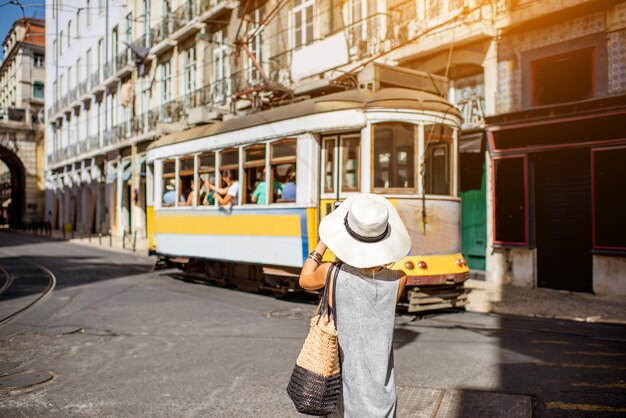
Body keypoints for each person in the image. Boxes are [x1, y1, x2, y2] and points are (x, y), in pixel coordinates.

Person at [298, 193, 411, 417]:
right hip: (383, 394)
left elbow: (304, 279)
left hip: (344, 391)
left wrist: (323, 243)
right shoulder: (399, 278)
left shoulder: (330, 273)